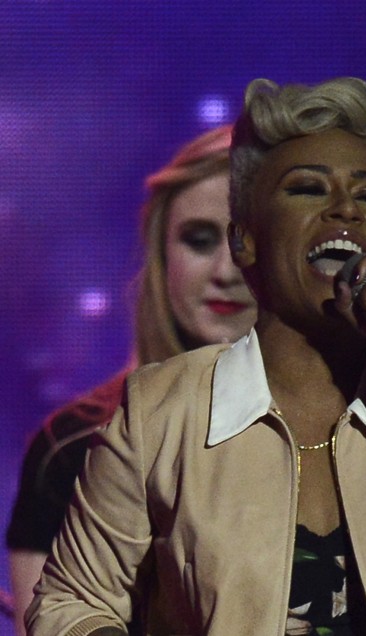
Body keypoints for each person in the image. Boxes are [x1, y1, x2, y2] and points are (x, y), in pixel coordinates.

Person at [26, 76, 366, 636]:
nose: (345, 210)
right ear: (245, 240)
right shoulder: (160, 415)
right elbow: (72, 604)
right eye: (309, 189)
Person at [5, 124, 257, 636]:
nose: (225, 270)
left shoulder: (350, 431)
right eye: (200, 239)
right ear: (160, 252)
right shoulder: (73, 451)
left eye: (248, 241)